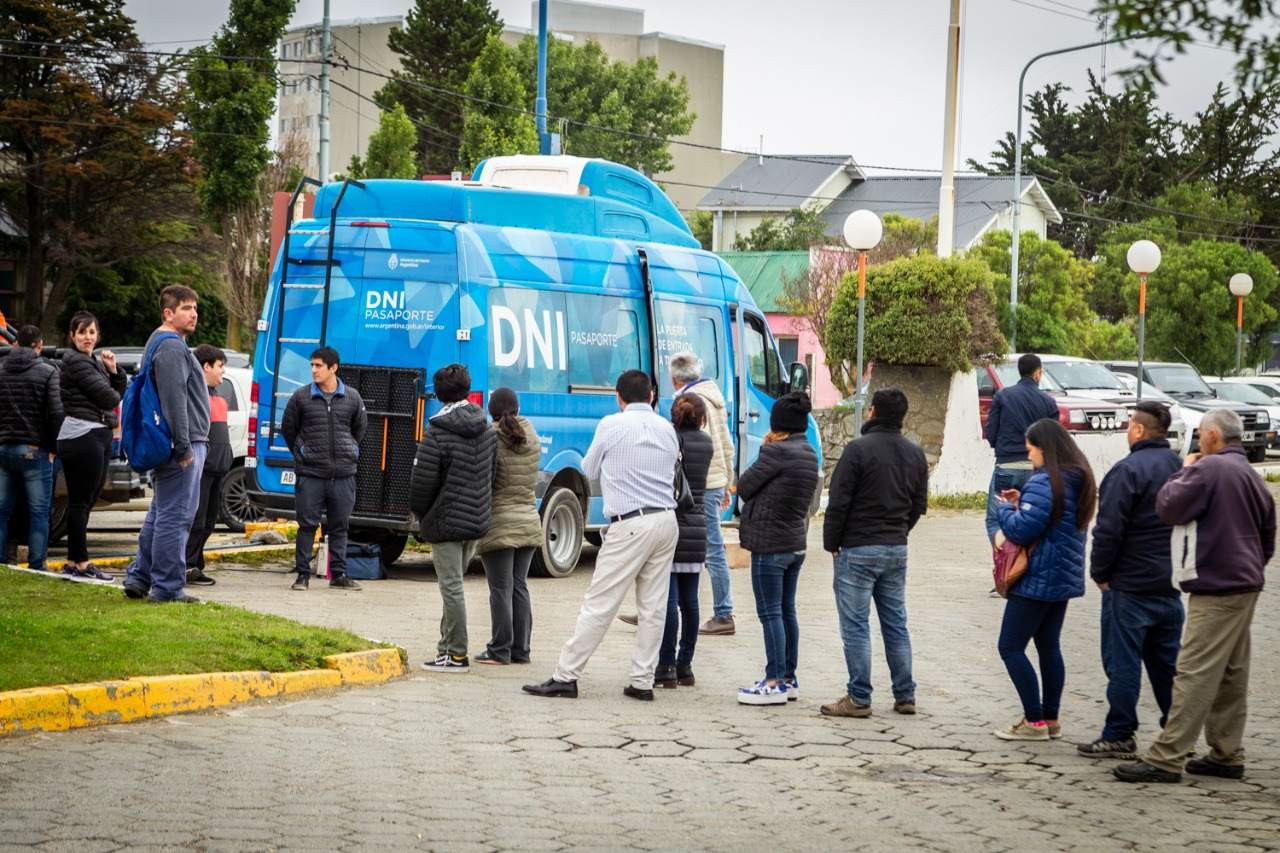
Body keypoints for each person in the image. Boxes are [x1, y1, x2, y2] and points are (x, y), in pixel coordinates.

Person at [1115, 409, 1275, 784]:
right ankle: (1226, 752)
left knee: (1194, 671)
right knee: (1231, 673)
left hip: (1217, 586)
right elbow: (1269, 529)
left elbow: (1168, 505)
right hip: (1245, 583)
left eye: (1201, 433)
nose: (1198, 439)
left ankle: (1166, 757)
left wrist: (1184, 469)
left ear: (1214, 436)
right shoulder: (1249, 474)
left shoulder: (1207, 470)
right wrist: (1255, 566)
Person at [523, 370, 679, 701]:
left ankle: (566, 675)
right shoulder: (668, 428)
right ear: (651, 395)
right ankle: (642, 681)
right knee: (653, 607)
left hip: (630, 524)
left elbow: (588, 470)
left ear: (619, 398)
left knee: (600, 603)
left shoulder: (612, 425)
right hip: (666, 521)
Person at [1078, 401, 1183, 759]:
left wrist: (1100, 573)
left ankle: (1120, 732)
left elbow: (1109, 530)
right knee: (1167, 667)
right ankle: (1177, 734)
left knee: (1123, 663)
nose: (1127, 430)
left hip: (1130, 585)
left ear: (1138, 430)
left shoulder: (1127, 471)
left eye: (1129, 425)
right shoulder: (1179, 467)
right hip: (1169, 584)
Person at [820, 388, 928, 718]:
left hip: (857, 548)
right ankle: (905, 694)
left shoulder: (856, 451)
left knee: (856, 626)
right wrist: (898, 532)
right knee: (896, 623)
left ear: (872, 412)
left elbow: (838, 503)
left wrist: (832, 543)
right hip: (896, 548)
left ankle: (859, 697)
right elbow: (918, 506)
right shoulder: (915, 453)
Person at [992, 418, 1096, 741]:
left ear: (1044, 448)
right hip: (1062, 578)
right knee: (1049, 646)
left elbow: (1022, 529)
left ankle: (1033, 720)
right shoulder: (1081, 479)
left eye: (1031, 450)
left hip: (1036, 578)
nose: (1030, 457)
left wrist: (1005, 511)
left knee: (1010, 647)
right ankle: (1050, 718)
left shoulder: (1045, 481)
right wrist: (1021, 503)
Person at [123, 287, 211, 603]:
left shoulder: (160, 344)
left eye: (195, 307)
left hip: (173, 446)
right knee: (176, 518)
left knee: (160, 514)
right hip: (181, 449)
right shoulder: (172, 348)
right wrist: (185, 447)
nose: (193, 313)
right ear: (168, 313)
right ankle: (167, 587)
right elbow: (175, 401)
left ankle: (140, 576)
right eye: (186, 308)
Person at [410, 364, 497, 673]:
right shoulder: (486, 427)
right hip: (475, 519)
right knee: (454, 585)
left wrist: (422, 515)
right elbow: (492, 473)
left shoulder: (437, 430)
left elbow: (422, 483)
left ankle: (456, 654)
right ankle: (445, 647)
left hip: (445, 520)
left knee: (451, 588)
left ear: (439, 394)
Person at [735, 392, 820, 706]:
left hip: (770, 544)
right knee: (786, 611)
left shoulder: (776, 453)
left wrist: (764, 449)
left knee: (770, 613)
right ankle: (789, 678)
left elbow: (745, 486)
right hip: (795, 542)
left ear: (778, 424)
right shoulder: (808, 452)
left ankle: (773, 682)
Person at [281, 346, 368, 592]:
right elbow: (289, 430)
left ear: (333, 368)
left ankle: (339, 575)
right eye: (312, 365)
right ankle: (302, 575)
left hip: (343, 475)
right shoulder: (300, 398)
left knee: (340, 525)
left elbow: (359, 429)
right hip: (311, 475)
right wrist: (303, 452)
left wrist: (349, 448)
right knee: (307, 525)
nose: (313, 370)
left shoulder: (352, 397)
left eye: (319, 366)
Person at [668, 352, 737, 637]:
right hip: (715, 480)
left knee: (710, 547)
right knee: (682, 545)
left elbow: (692, 445)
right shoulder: (714, 396)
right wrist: (729, 482)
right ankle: (662, 604)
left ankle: (724, 613)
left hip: (699, 483)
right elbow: (726, 443)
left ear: (674, 379)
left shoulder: (691, 402)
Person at [474, 388, 541, 666]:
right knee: (519, 586)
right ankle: (520, 650)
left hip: (500, 522)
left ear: (490, 410)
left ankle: (500, 650)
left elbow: (485, 480)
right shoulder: (532, 436)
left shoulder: (491, 438)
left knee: (500, 588)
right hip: (528, 520)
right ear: (517, 407)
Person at [55, 312, 123, 582]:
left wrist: (113, 370)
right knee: (81, 502)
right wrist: (112, 383)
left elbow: (116, 391)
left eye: (92, 332)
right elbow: (109, 398)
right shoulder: (77, 362)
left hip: (94, 434)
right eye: (82, 332)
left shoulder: (91, 361)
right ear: (72, 336)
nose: (88, 337)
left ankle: (74, 561)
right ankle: (81, 563)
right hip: (83, 435)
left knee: (84, 501)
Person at [984, 354, 1058, 596]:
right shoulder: (1048, 401)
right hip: (1035, 471)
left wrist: (1003, 449)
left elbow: (991, 432)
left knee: (996, 519)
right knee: (1033, 519)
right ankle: (1027, 569)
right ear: (1037, 373)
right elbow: (1054, 437)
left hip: (1005, 466)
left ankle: (1005, 570)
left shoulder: (1003, 396)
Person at [655, 394, 713, 689]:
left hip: (672, 523)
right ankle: (685, 665)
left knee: (669, 600)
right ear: (701, 417)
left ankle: (664, 665)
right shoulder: (707, 443)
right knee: (690, 602)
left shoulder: (670, 439)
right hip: (698, 525)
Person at [0, 325, 63, 573]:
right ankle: (37, 565)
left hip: (3, 448)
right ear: (39, 345)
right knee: (39, 512)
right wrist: (53, 447)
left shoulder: (1, 370)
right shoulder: (47, 371)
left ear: (15, 344)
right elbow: (56, 413)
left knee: (2, 511)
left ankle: (2, 564)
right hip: (34, 449)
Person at [184, 345, 233, 587]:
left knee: (210, 521)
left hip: (218, 468)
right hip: (201, 468)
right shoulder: (196, 395)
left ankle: (196, 563)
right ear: (206, 367)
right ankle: (187, 564)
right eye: (220, 366)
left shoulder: (219, 397)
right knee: (197, 519)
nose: (223, 371)